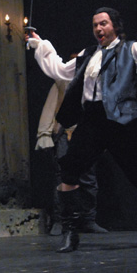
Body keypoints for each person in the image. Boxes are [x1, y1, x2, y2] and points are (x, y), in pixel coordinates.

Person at [26, 8, 137, 252]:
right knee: (69, 170)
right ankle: (70, 232)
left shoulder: (131, 49)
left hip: (122, 121)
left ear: (115, 26)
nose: (98, 28)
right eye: (95, 25)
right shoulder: (88, 55)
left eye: (103, 23)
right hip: (92, 120)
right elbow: (60, 70)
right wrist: (40, 44)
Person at [36, 78, 107, 235]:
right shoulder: (62, 82)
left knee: (88, 176)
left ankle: (88, 220)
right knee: (62, 177)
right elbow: (50, 106)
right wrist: (44, 133)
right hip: (64, 133)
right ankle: (60, 221)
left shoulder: (96, 82)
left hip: (86, 132)